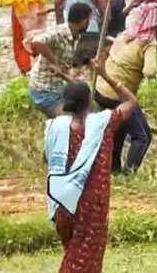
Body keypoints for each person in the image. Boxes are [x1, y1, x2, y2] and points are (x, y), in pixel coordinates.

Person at [45, 73, 137, 273]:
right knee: (84, 263)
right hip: (91, 207)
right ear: (89, 101)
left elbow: (49, 160)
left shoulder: (56, 128)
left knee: (74, 253)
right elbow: (131, 101)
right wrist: (104, 73)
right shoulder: (102, 124)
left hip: (63, 204)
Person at [94, 3, 157, 175]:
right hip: (120, 95)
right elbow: (150, 71)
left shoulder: (124, 35)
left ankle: (113, 170)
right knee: (142, 136)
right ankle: (128, 173)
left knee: (119, 130)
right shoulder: (148, 42)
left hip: (101, 90)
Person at [27, 3, 95, 119]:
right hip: (45, 91)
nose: (89, 23)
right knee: (73, 120)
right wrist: (54, 62)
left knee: (89, 109)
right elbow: (36, 41)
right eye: (89, 19)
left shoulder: (76, 35)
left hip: (59, 88)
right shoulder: (59, 32)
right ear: (84, 21)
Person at [59, 0, 107, 64]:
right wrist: (102, 26)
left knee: (71, 61)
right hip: (91, 29)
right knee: (89, 61)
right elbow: (107, 13)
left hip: (71, 28)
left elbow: (56, 4)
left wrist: (60, 20)